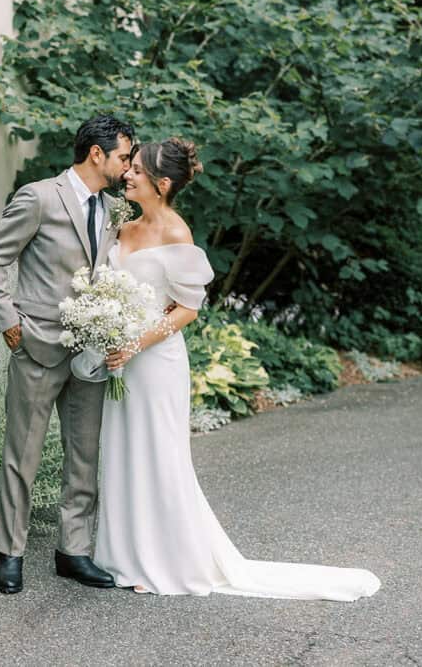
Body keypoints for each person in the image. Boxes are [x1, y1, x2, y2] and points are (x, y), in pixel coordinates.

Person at [93, 138, 382, 601]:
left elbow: (187, 309)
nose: (127, 174)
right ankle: (123, 555)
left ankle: (165, 559)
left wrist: (133, 344)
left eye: (138, 171)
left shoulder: (176, 234)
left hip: (156, 362)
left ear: (162, 184)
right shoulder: (123, 225)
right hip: (121, 362)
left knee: (160, 459)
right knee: (123, 452)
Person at [0, 114, 135, 594]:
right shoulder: (39, 197)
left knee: (84, 457)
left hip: (89, 352)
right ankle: (11, 554)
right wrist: (8, 322)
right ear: (96, 154)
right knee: (21, 456)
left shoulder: (115, 209)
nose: (128, 168)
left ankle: (74, 552)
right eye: (124, 157)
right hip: (38, 346)